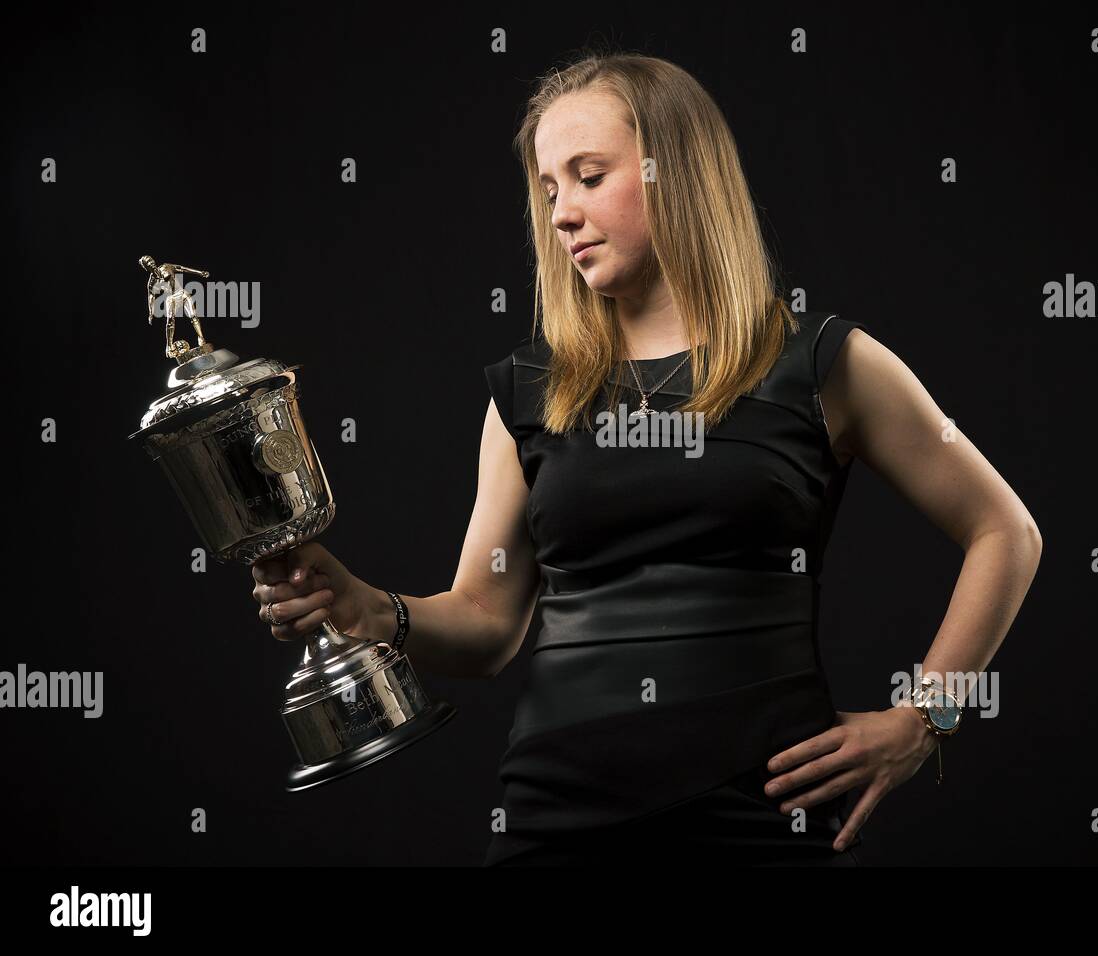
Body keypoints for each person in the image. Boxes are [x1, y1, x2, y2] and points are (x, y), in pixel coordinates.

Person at [250, 52, 1043, 866]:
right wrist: (369, 608)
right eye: (549, 188)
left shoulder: (823, 363)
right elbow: (486, 624)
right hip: (556, 818)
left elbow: (1006, 532)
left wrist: (925, 718)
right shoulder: (530, 391)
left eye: (589, 176)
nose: (561, 213)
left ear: (680, 172)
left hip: (761, 817)